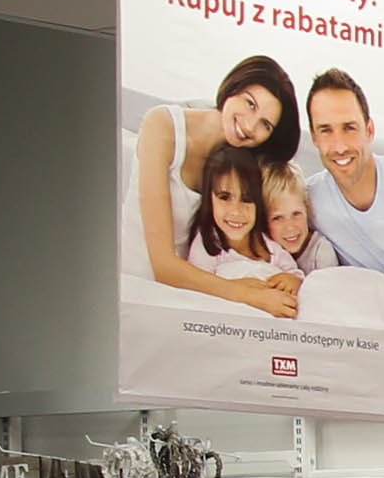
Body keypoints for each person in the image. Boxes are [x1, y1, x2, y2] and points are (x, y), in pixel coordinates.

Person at [129, 55, 302, 319]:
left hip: (197, 288)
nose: (249, 126)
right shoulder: (162, 125)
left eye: (265, 124)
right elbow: (163, 266)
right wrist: (246, 294)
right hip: (139, 279)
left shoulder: (238, 163)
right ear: (233, 87)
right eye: (250, 103)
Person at [299, 69, 384, 291]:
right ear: (314, 137)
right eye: (326, 130)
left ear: (370, 130)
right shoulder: (308, 201)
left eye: (349, 128)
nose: (340, 146)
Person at [184, 153, 285, 282]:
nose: (236, 211)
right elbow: (198, 286)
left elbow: (296, 275)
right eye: (224, 197)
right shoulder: (206, 246)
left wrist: (291, 280)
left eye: (247, 199)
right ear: (209, 200)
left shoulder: (269, 245)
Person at [260, 168, 337, 275]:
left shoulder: (321, 252)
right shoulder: (266, 249)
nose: (290, 227)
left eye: (296, 214)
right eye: (277, 218)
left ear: (307, 210)